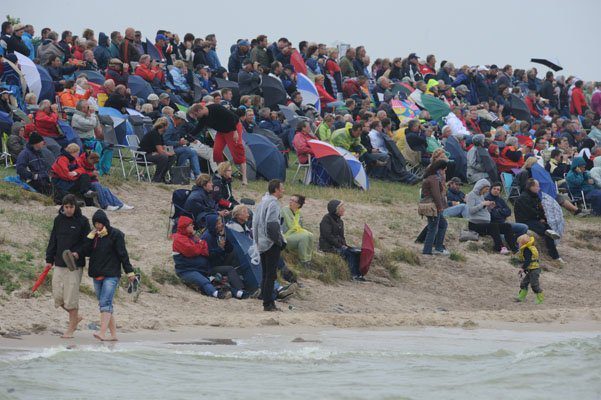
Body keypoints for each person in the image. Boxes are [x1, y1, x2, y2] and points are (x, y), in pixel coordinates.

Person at [82, 210, 135, 341]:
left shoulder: (115, 235)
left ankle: (102, 332)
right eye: (95, 223)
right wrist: (89, 238)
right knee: (105, 304)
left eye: (100, 223)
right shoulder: (93, 236)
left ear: (105, 222)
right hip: (97, 274)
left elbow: (123, 254)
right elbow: (85, 252)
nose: (98, 226)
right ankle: (114, 335)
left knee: (105, 303)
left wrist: (130, 272)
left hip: (111, 275)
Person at [45, 194, 91, 338]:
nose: (69, 210)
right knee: (58, 296)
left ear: (75, 206)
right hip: (58, 262)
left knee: (71, 298)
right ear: (63, 207)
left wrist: (78, 253)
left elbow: (87, 243)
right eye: (66, 207)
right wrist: (49, 259)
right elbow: (53, 240)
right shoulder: (58, 220)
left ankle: (71, 329)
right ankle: (75, 318)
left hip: (74, 265)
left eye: (71, 207)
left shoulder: (83, 221)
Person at [172, 216, 231, 299]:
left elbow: (205, 249)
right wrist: (200, 245)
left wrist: (199, 244)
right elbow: (192, 251)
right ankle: (217, 294)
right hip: (186, 270)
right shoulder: (179, 239)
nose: (193, 226)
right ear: (185, 227)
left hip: (200, 269)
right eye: (190, 225)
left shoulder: (191, 237)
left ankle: (239, 293)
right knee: (203, 281)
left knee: (218, 280)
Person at [253, 179, 286, 311]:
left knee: (266, 273)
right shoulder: (273, 203)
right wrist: (279, 241)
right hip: (270, 243)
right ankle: (268, 303)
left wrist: (256, 241)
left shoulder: (262, 202)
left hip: (261, 242)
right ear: (276, 190)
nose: (283, 190)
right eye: (282, 188)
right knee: (270, 275)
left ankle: (266, 300)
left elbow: (255, 224)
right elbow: (272, 225)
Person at [196, 103, 247, 184]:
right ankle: (222, 175)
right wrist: (187, 137)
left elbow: (231, 117)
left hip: (233, 127)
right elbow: (198, 128)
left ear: (200, 110)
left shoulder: (216, 107)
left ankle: (244, 178)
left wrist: (235, 131)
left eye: (196, 114)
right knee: (216, 152)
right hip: (221, 131)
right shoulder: (203, 118)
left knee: (238, 152)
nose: (196, 116)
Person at [514, 178, 563, 262]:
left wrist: (543, 218)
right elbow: (529, 212)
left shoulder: (534, 196)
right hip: (525, 221)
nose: (539, 188)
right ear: (531, 187)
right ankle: (555, 256)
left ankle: (554, 252)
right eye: (537, 186)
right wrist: (539, 218)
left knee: (549, 228)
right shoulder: (523, 198)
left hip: (534, 219)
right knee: (547, 232)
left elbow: (540, 210)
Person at [200, 214, 249, 299]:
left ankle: (240, 279)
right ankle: (240, 289)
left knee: (234, 253)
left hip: (218, 260)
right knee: (229, 269)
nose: (221, 224)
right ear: (213, 225)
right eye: (219, 223)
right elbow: (209, 256)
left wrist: (224, 237)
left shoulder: (216, 234)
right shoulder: (207, 237)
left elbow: (229, 249)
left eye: (221, 222)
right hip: (210, 266)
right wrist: (220, 248)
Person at [466, 179, 517, 254]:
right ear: (481, 187)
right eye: (486, 189)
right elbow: (471, 211)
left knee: (507, 226)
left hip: (485, 223)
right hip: (475, 224)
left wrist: (490, 207)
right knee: (494, 226)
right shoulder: (471, 195)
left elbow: (483, 210)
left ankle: (514, 248)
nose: (487, 191)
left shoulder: (481, 196)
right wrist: (483, 204)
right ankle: (500, 247)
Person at [319, 199, 364, 281]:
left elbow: (342, 236)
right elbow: (328, 236)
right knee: (349, 253)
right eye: (341, 208)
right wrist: (341, 246)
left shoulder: (340, 221)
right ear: (335, 209)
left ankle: (358, 274)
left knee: (357, 252)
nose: (344, 209)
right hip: (328, 247)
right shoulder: (326, 219)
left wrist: (345, 245)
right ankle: (353, 275)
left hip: (338, 245)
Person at [419, 160, 450, 255]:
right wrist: (440, 207)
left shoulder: (431, 176)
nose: (444, 172)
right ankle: (428, 250)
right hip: (433, 206)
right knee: (433, 228)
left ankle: (437, 247)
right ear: (440, 169)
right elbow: (436, 194)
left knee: (442, 224)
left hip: (432, 205)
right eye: (444, 170)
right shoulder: (434, 179)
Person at [138, 117, 176, 183]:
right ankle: (156, 179)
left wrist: (166, 152)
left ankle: (162, 177)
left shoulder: (159, 134)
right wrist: (168, 153)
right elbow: (161, 151)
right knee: (163, 157)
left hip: (150, 154)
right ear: (164, 126)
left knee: (172, 157)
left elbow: (163, 148)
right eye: (167, 126)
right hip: (142, 156)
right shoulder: (154, 134)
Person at [282, 194, 314, 268]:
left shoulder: (298, 213)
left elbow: (300, 227)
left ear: (298, 204)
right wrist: (302, 232)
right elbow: (291, 226)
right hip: (285, 236)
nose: (290, 202)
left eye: (293, 201)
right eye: (290, 199)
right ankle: (303, 261)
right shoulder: (285, 210)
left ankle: (308, 259)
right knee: (304, 236)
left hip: (294, 234)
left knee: (310, 235)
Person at [515, 234, 545, 304]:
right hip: (531, 269)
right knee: (524, 283)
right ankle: (521, 297)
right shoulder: (528, 248)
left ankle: (540, 298)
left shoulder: (527, 250)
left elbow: (528, 261)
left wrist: (522, 268)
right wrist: (525, 269)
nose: (518, 244)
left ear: (523, 243)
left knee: (534, 285)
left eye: (519, 243)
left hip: (534, 270)